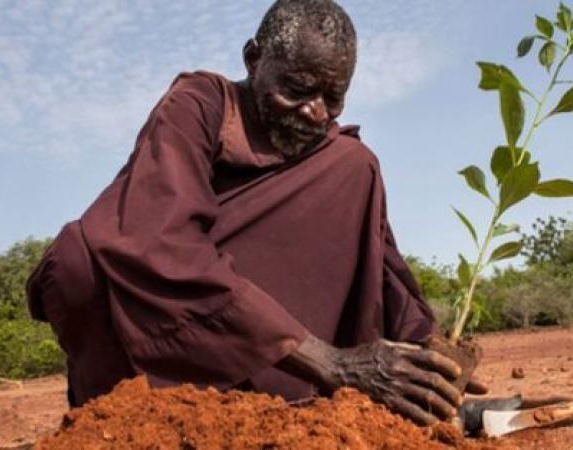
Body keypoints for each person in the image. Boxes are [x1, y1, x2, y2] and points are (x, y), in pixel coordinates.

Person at [27, 0, 476, 426]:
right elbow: (159, 242)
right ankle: (116, 412)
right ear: (253, 59)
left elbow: (382, 266)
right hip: (159, 338)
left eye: (332, 97)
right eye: (296, 90)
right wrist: (331, 363)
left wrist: (427, 352)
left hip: (266, 363)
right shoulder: (197, 106)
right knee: (78, 257)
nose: (314, 112)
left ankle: (283, 398)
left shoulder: (336, 159)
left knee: (354, 165)